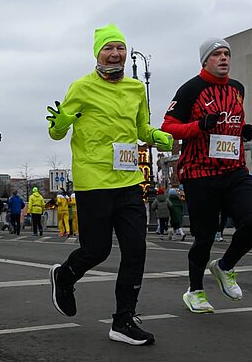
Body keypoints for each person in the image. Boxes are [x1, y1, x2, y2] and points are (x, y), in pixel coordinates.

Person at [48, 23, 173, 346]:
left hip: (129, 180)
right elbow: (57, 133)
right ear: (97, 54)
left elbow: (141, 128)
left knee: (136, 249)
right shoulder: (81, 88)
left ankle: (123, 320)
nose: (115, 53)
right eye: (108, 48)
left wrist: (156, 136)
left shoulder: (135, 89)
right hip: (94, 182)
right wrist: (60, 121)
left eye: (120, 48)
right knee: (97, 250)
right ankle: (65, 275)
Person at [161, 37, 252, 315]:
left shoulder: (237, 88)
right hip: (200, 173)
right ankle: (195, 291)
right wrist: (198, 126)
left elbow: (232, 121)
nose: (224, 58)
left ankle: (225, 266)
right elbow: (168, 127)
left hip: (234, 170)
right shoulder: (191, 89)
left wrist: (243, 131)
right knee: (204, 237)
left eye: (227, 54)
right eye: (217, 54)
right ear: (205, 60)